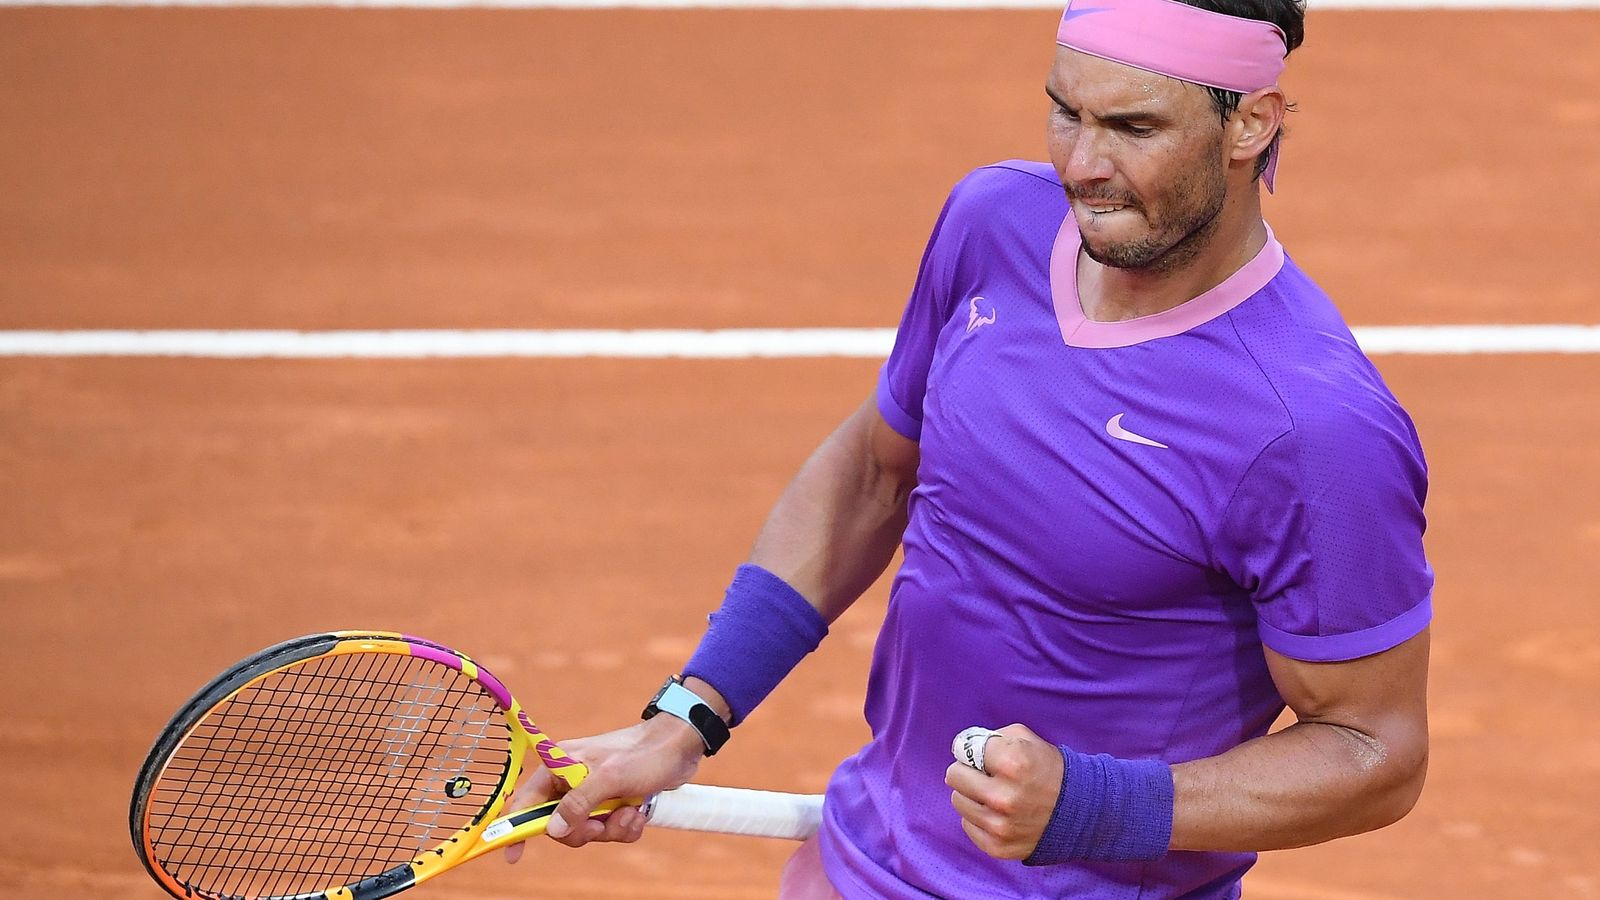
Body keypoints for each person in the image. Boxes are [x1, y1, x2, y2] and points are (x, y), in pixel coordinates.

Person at [506, 0, 1434, 895]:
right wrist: (687, 717)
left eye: (1135, 127)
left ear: (1251, 124)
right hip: (859, 861)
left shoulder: (1312, 431)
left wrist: (1094, 806)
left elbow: (1375, 751)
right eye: (1065, 112)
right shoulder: (995, 221)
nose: (1083, 165)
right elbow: (874, 475)